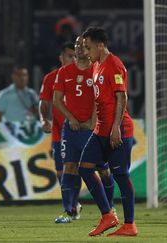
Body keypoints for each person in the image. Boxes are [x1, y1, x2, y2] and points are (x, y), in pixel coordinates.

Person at [80, 27, 137, 236]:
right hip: (100, 128)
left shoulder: (114, 65)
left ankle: (130, 224)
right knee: (85, 168)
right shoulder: (96, 66)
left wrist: (115, 128)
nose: (87, 51)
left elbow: (122, 98)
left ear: (100, 45)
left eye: (89, 47)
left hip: (117, 128)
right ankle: (108, 215)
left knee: (120, 175)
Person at [52, 36, 115, 223]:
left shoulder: (97, 70)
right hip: (71, 129)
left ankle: (110, 209)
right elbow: (57, 100)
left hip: (94, 129)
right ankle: (69, 211)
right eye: (77, 45)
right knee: (68, 167)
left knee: (103, 170)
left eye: (83, 45)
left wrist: (93, 122)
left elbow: (102, 99)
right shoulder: (64, 72)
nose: (79, 48)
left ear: (90, 49)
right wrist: (71, 119)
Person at [38, 42, 79, 217]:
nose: (73, 59)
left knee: (76, 169)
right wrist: (44, 119)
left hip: (79, 130)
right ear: (61, 58)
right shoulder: (51, 78)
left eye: (75, 56)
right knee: (62, 171)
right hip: (59, 132)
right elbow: (44, 102)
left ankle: (71, 207)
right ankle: (72, 205)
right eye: (70, 56)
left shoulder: (83, 77)